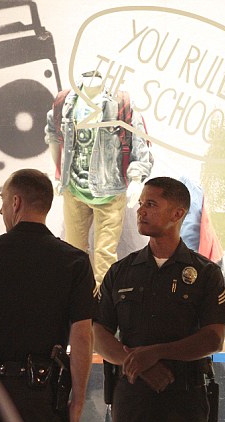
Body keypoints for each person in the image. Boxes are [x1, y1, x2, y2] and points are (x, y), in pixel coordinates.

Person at [0, 169, 96, 422]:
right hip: (45, 397)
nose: (1, 211)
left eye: (2, 200)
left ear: (16, 203)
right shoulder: (74, 262)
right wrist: (77, 402)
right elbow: (82, 336)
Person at [93, 176, 225, 422]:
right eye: (140, 203)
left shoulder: (205, 273)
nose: (141, 211)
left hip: (184, 398)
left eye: (151, 204)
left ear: (177, 213)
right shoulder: (120, 271)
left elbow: (213, 338)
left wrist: (157, 353)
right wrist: (138, 363)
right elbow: (99, 333)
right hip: (131, 397)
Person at [45, 70, 153, 293]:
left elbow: (140, 143)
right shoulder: (65, 102)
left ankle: (103, 308)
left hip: (110, 191)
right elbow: (54, 136)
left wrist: (136, 179)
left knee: (105, 256)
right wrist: (59, 175)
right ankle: (77, 302)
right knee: (73, 251)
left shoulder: (121, 103)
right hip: (74, 188)